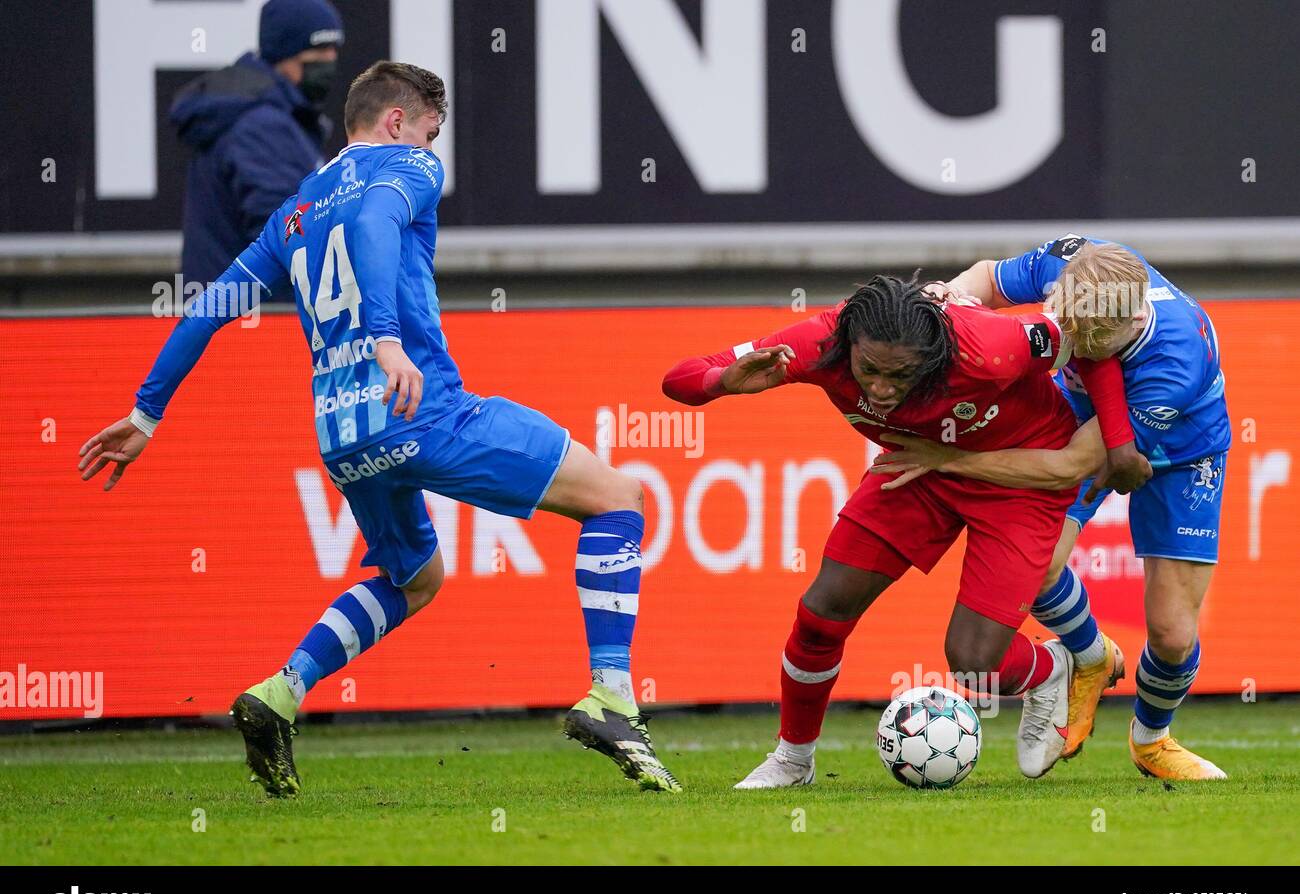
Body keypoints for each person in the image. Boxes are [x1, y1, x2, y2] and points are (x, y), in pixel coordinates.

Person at [78, 61, 680, 797]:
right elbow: (372, 221)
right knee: (619, 497)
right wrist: (388, 338)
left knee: (414, 576)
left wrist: (147, 412)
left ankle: (282, 691)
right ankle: (613, 693)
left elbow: (212, 304)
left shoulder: (294, 211)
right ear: (397, 121)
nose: (435, 149)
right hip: (419, 408)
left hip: (343, 431)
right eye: (432, 130)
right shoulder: (408, 166)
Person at [662, 274, 1133, 787]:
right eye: (868, 371)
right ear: (848, 348)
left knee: (973, 662)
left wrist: (1119, 440)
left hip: (1018, 477)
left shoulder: (992, 345)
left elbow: (1090, 342)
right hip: (919, 468)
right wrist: (721, 384)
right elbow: (679, 377)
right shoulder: (816, 344)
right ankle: (793, 761)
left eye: (902, 375)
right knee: (824, 609)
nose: (882, 389)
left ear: (933, 356)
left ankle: (1048, 670)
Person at [873, 238, 1232, 780]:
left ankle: (1151, 741)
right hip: (1074, 414)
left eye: (1092, 341)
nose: (1074, 346)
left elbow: (1069, 466)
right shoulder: (1076, 262)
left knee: (1172, 633)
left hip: (1182, 450)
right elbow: (989, 279)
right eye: (1066, 323)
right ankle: (1090, 656)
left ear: (1134, 319)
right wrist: (945, 298)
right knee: (1035, 569)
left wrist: (948, 459)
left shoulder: (1171, 367)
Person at [171, 0, 345, 285]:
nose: (329, 60)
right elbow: (288, 239)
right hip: (252, 320)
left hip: (234, 312)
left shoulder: (270, 115)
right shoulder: (261, 126)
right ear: (283, 54)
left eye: (333, 50)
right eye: (317, 51)